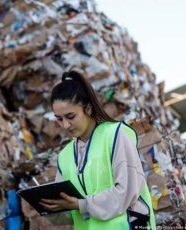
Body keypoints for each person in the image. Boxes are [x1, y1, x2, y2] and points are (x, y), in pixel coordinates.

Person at [39, 70, 156, 229]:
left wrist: (82, 204)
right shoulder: (64, 157)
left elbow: (127, 192)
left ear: (87, 109)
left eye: (70, 116)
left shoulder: (115, 135)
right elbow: (69, 213)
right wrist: (52, 206)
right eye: (59, 119)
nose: (65, 125)